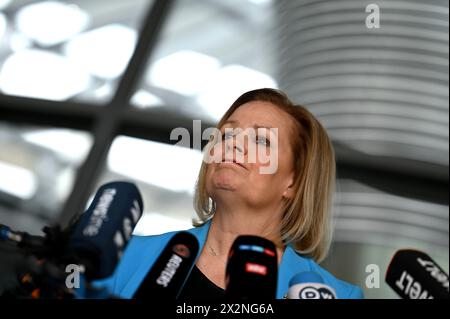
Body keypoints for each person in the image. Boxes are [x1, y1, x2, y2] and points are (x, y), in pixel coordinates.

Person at [90, 88, 363, 299]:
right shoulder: (123, 257)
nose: (233, 145)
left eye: (261, 140)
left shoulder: (340, 296)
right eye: (227, 134)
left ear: (293, 182)